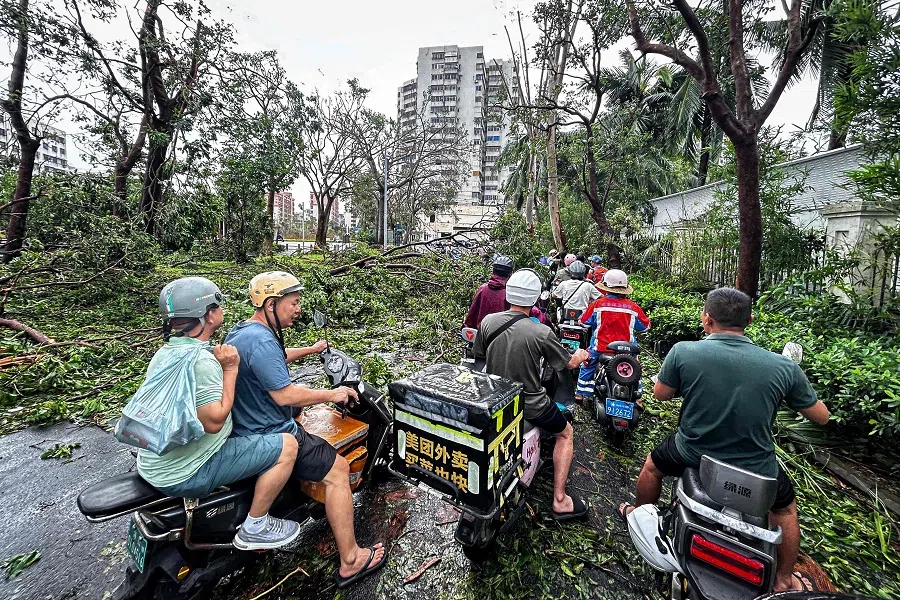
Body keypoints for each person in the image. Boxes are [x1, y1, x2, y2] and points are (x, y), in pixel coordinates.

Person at [617, 287, 831, 593]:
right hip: (757, 469)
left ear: (706, 319)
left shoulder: (683, 351)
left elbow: (660, 394)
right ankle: (784, 578)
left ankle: (637, 513)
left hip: (691, 453)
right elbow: (821, 417)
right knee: (784, 510)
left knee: (652, 467)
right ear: (750, 320)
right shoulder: (784, 367)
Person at [225, 271, 386, 588]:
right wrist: (331, 394)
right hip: (271, 429)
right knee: (338, 470)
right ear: (272, 304)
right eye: (294, 303)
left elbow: (276, 357)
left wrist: (312, 350)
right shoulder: (261, 341)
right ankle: (351, 560)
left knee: (301, 413)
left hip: (246, 425)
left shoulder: (245, 332)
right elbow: (284, 394)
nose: (298, 309)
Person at [137, 277, 301, 551]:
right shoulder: (203, 361)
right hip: (184, 472)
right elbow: (214, 421)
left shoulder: (167, 352)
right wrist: (230, 369)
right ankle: (256, 526)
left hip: (153, 462)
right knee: (287, 446)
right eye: (217, 304)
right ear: (209, 314)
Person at [473, 269, 591, 521]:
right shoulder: (542, 332)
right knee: (566, 432)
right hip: (531, 405)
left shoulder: (488, 322)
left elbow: (479, 358)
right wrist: (580, 355)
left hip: (495, 402)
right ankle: (560, 500)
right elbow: (567, 364)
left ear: (509, 294)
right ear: (536, 298)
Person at [576, 270, 650, 401]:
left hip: (600, 348)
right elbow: (645, 327)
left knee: (587, 363)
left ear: (606, 288)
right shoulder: (633, 307)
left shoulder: (597, 305)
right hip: (627, 351)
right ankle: (637, 398)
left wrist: (580, 321)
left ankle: (581, 393)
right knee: (635, 368)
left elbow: (584, 322)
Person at [463, 255, 548, 328]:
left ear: (493, 271)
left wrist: (466, 327)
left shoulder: (483, 289)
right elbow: (532, 313)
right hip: (505, 337)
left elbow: (471, 315)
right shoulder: (511, 292)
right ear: (510, 274)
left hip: (481, 334)